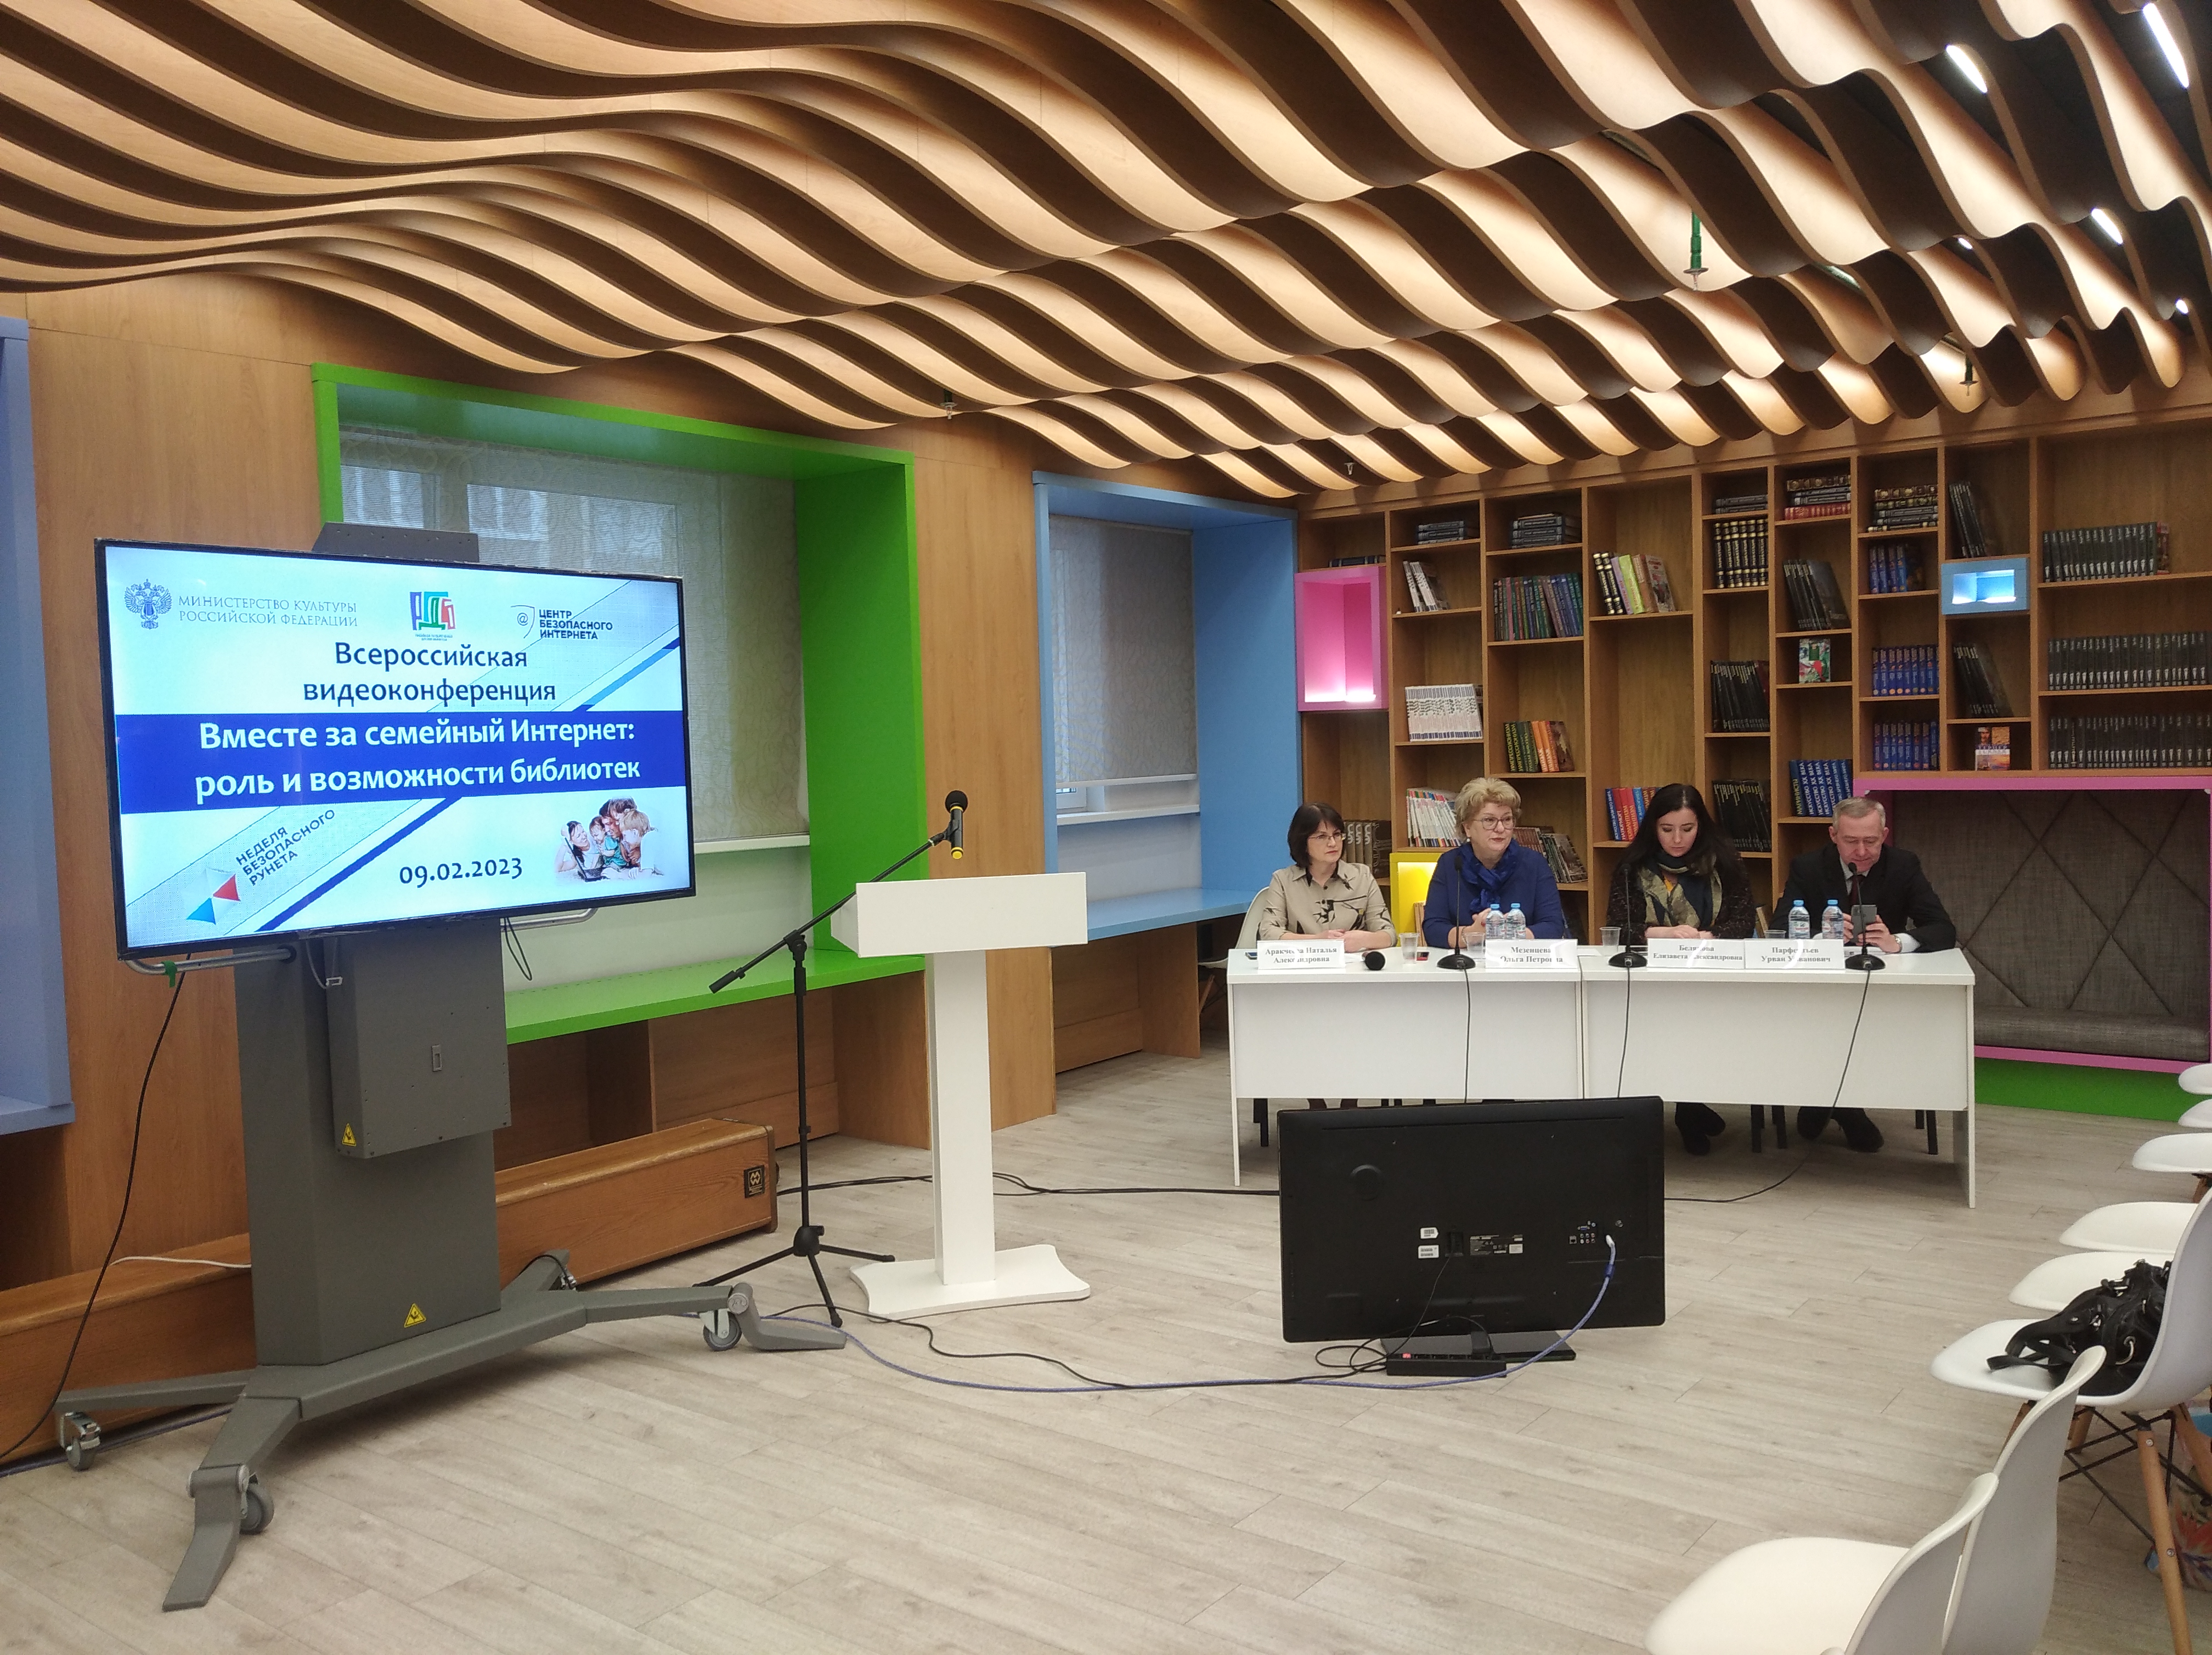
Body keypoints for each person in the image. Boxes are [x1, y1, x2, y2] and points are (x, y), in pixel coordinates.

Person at [1776, 795, 1957, 1152]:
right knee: (1820, 1022)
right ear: (1833, 836)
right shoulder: (1808, 867)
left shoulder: (1903, 865)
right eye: (1851, 841)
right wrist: (1821, 938)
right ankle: (1844, 1107)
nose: (1861, 852)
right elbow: (1780, 927)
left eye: (1871, 841)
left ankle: (1827, 1102)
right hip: (1820, 992)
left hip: (1881, 989)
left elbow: (1943, 929)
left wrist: (1897, 942)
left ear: (1884, 835)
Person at [1604, 783, 1758, 1155]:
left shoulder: (1726, 863)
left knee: (1702, 1028)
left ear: (1700, 826)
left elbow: (1744, 922)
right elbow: (1617, 928)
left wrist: (1707, 936)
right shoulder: (1632, 867)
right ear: (1653, 828)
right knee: (1664, 1029)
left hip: (1713, 973)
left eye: (1687, 829)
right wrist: (1663, 934)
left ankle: (1690, 1109)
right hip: (1651, 979)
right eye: (1667, 829)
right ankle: (1686, 1110)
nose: (1677, 840)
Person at [1420, 778, 1566, 949]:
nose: (1501, 829)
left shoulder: (1534, 863)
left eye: (1507, 819)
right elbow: (1433, 929)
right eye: (1489, 820)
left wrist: (1512, 935)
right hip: (1468, 960)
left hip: (1519, 959)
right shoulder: (1451, 864)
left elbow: (1554, 926)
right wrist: (1473, 934)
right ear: (1467, 827)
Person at [1253, 802, 1395, 950]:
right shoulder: (1283, 881)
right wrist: (1317, 941)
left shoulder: (1362, 876)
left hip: (1352, 963)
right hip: (1303, 963)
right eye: (1322, 837)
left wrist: (1364, 940)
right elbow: (1268, 933)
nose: (1333, 843)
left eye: (1337, 835)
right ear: (1303, 842)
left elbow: (1389, 935)